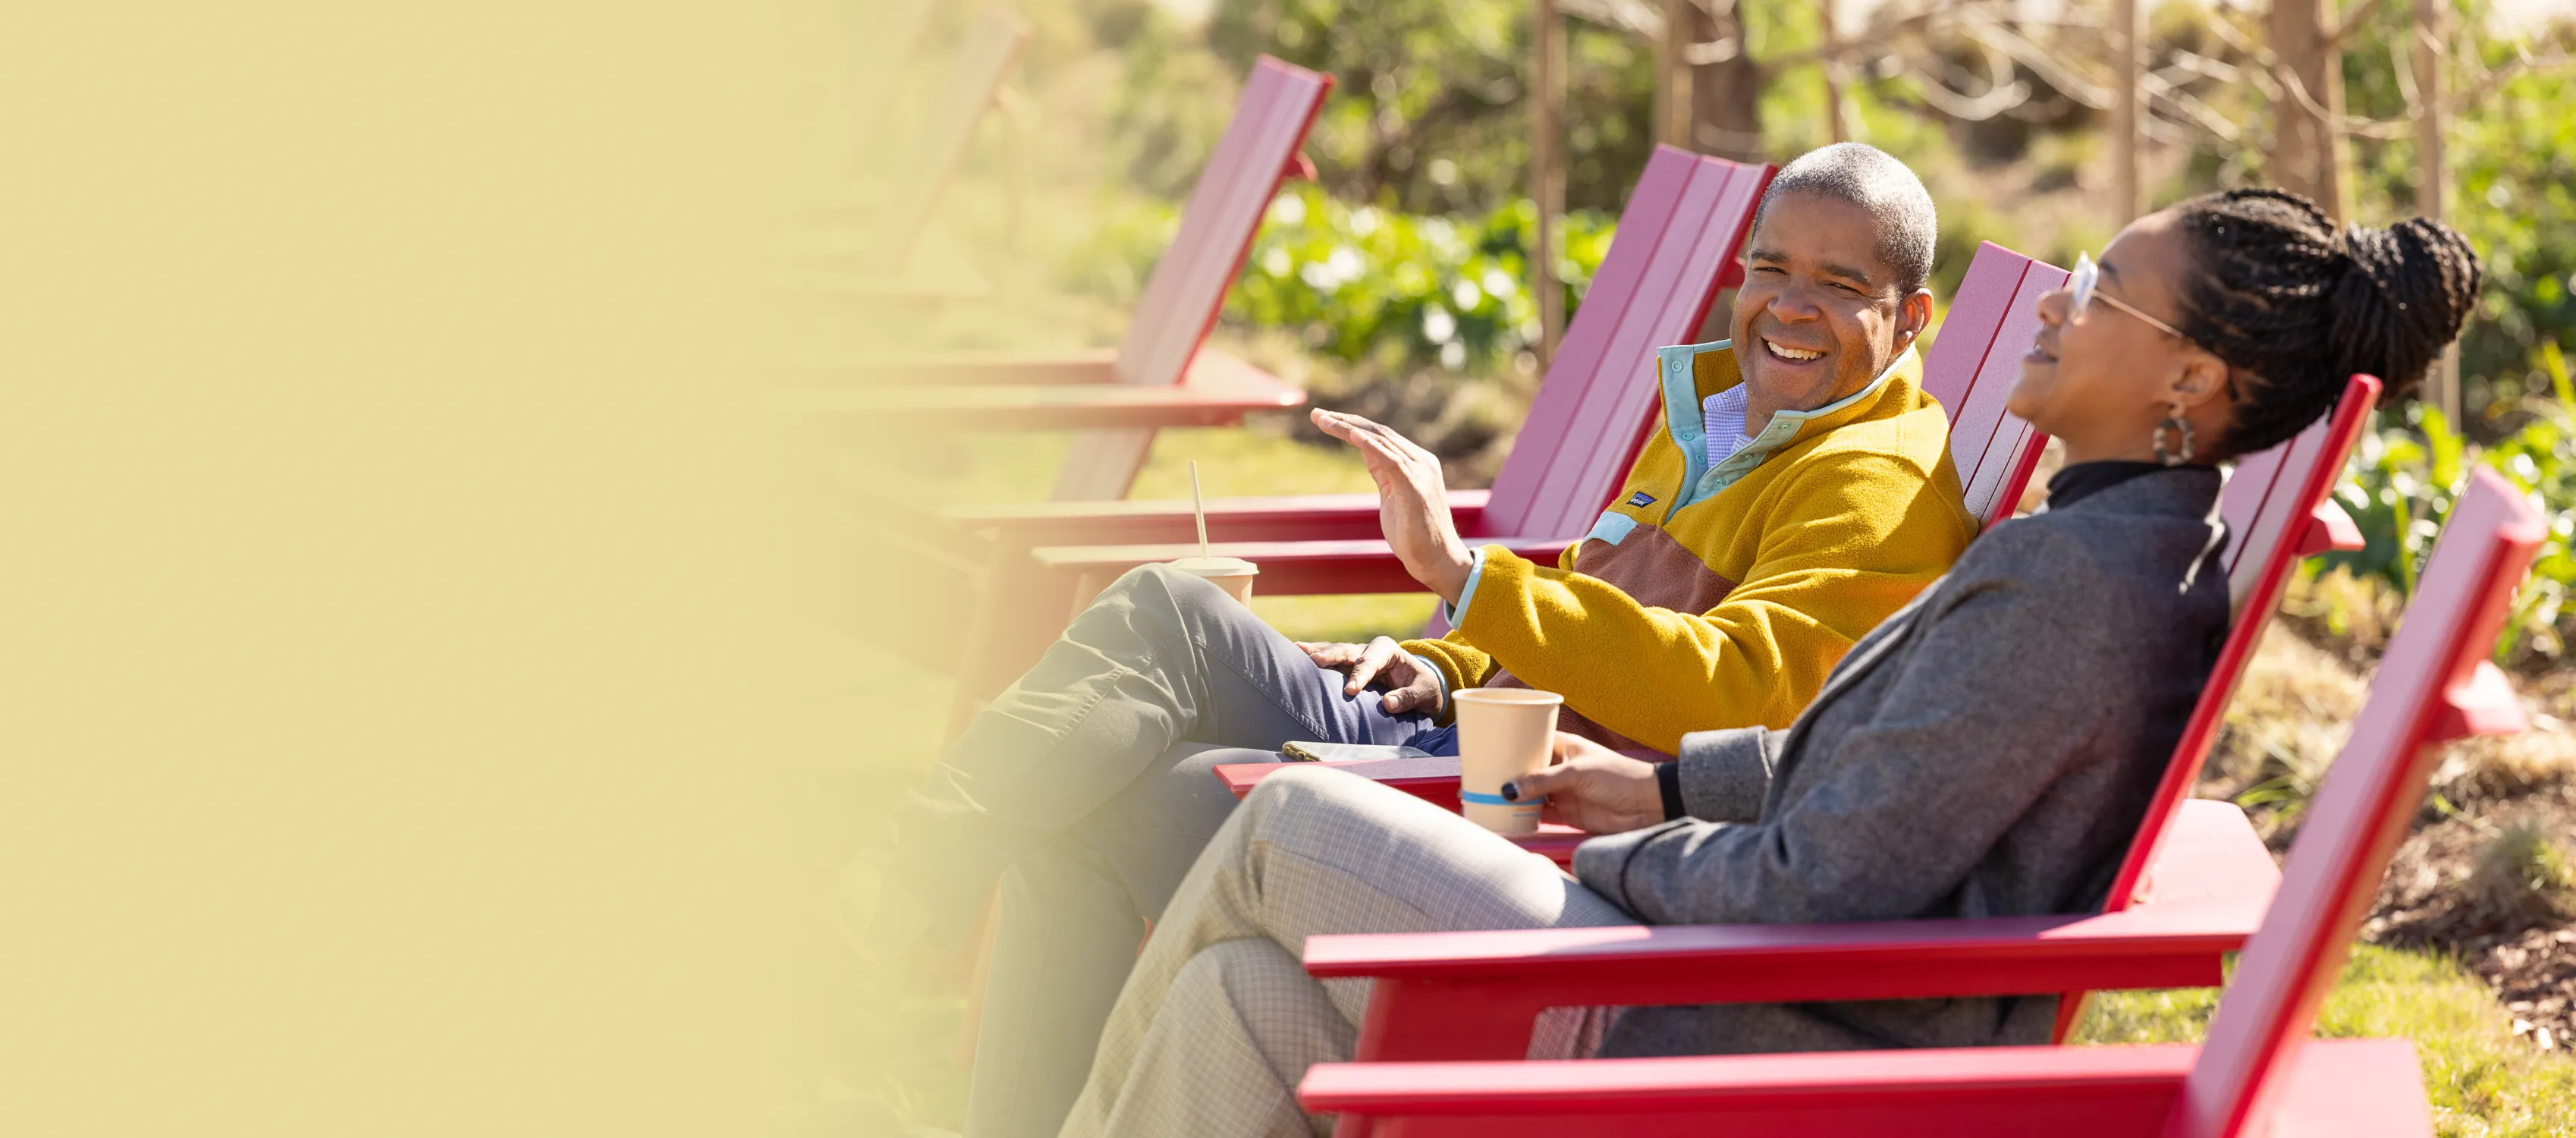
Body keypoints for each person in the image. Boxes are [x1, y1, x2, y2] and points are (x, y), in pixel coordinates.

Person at [1052, 188, 2486, 1138]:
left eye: (2098, 293)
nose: (2052, 305)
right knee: (1233, 998)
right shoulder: (2108, 546)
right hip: (1752, 980)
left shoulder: (2081, 585)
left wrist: (1625, 851)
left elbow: (1828, 882)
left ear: (2187, 381)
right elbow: (1880, 780)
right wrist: (1660, 775)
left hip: (1756, 1034)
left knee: (1285, 824)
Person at [850, 143, 1981, 1138]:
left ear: (1909, 317)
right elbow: (1592, 606)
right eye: (1771, 267)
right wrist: (1439, 660)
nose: (1789, 305)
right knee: (1153, 657)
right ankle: (913, 946)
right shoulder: (1732, 419)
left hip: (1538, 815)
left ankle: (882, 917)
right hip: (1470, 740)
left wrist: (1466, 579)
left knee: (1145, 711)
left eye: (1839, 285)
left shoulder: (1870, 483)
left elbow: (1725, 690)